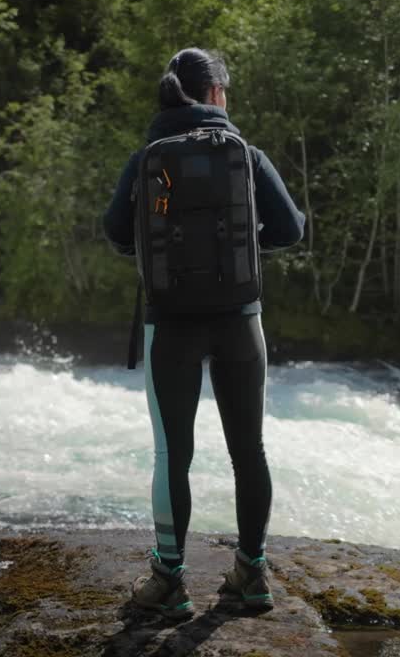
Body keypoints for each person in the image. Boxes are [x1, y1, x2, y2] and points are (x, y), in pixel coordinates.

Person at [103, 47, 305, 618]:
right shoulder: (246, 154)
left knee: (173, 455)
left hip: (169, 324)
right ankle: (253, 576)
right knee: (250, 451)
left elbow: (116, 232)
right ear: (216, 93)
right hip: (240, 321)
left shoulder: (147, 157)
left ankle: (168, 581)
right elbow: (289, 231)